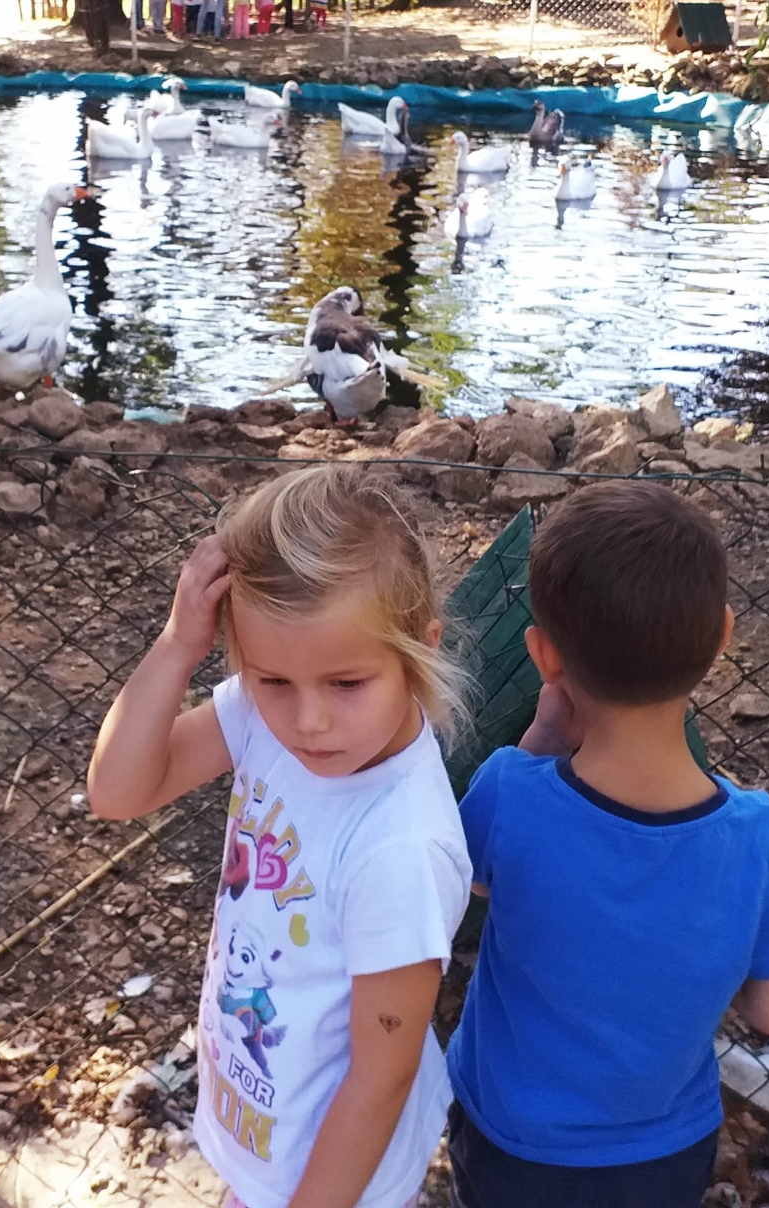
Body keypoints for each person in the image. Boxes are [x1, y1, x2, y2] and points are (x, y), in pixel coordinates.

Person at [443, 481, 769, 1208]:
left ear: (545, 657)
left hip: (510, 1140)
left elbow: (468, 881)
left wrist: (538, 741)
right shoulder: (757, 835)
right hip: (664, 1152)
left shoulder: (509, 791)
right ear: (722, 639)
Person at [89, 464, 470, 1208]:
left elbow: (381, 1076)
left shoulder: (400, 850)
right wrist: (177, 645)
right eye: (272, 681)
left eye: (347, 684)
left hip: (335, 1179)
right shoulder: (264, 716)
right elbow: (118, 791)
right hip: (267, 1135)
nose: (309, 721)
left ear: (421, 649)